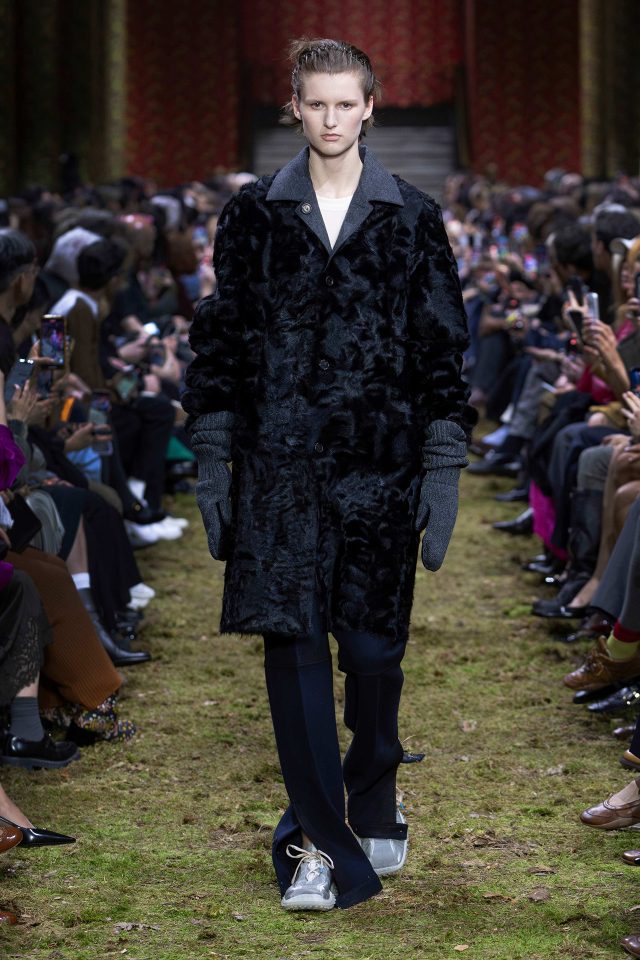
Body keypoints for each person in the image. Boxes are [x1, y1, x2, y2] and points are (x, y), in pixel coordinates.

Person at [182, 38, 474, 912]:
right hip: (279, 471)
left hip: (382, 470)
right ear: (296, 107)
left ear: (370, 105)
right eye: (317, 103)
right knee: (296, 654)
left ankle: (375, 786)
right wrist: (212, 460)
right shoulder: (253, 216)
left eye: (347, 103)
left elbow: (441, 349)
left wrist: (443, 467)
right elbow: (223, 340)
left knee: (375, 657)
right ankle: (319, 846)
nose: (333, 118)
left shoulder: (412, 217)